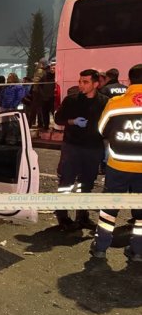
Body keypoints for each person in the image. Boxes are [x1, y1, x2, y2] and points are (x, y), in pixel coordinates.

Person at [89, 64, 142, 263]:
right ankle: (138, 250)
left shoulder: (116, 103)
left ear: (129, 80)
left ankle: (101, 247)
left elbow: (101, 129)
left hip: (119, 165)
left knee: (109, 209)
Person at [53, 69, 109, 231]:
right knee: (66, 182)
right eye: (80, 81)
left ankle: (82, 215)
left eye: (85, 82)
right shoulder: (72, 100)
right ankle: (62, 216)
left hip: (93, 149)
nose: (81, 85)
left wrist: (106, 147)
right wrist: (72, 121)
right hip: (72, 148)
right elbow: (58, 119)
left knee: (87, 183)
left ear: (96, 84)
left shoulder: (105, 102)